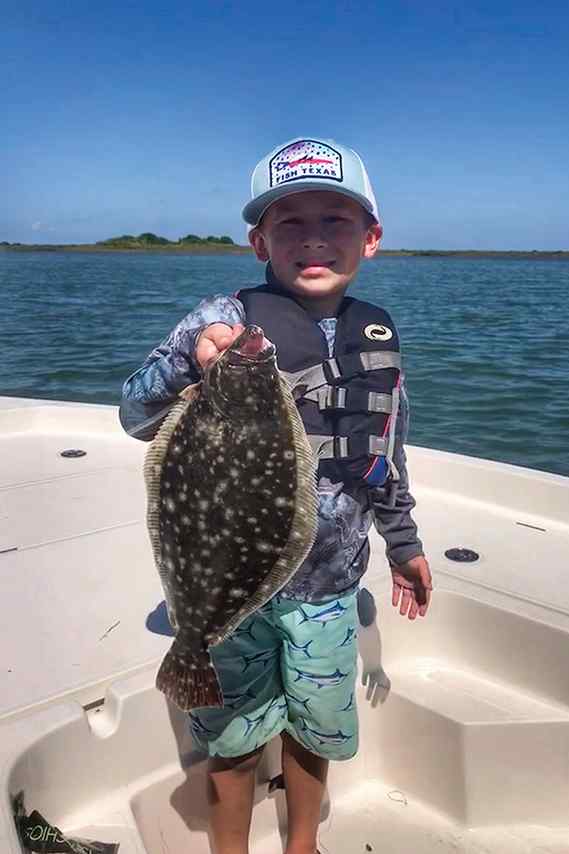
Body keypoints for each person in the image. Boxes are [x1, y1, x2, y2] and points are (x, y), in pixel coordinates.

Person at [120, 137, 433, 854]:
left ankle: (302, 844)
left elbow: (385, 451)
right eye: (290, 223)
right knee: (231, 742)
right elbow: (135, 415)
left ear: (372, 239)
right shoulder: (221, 318)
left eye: (337, 220)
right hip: (225, 593)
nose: (314, 238)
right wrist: (192, 358)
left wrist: (405, 544)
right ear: (258, 239)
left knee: (312, 730)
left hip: (327, 590)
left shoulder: (377, 331)